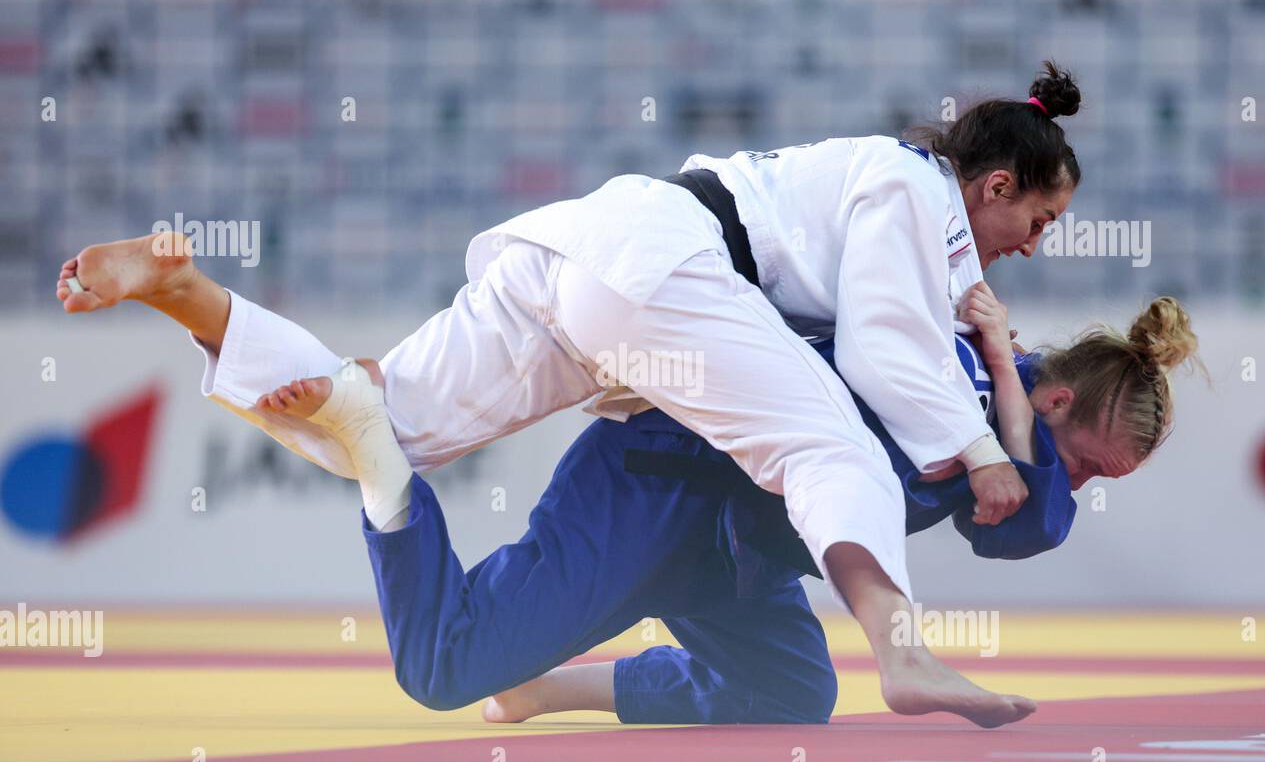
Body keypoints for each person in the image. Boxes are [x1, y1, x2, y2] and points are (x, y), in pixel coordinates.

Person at [58, 63, 1082, 672]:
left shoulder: (895, 191)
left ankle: (188, 295)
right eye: (1039, 219)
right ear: (994, 185)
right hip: (667, 276)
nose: (1034, 246)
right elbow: (886, 349)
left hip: (589, 253)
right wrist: (983, 451)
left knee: (373, 427)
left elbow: (900, 334)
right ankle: (900, 647)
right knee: (830, 448)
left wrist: (988, 378)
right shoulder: (917, 194)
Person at [246, 293, 1198, 729]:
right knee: (444, 669)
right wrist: (996, 377)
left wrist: (1007, 385)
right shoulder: (946, 369)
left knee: (793, 694)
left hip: (737, 559)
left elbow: (1027, 526)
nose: (1075, 486)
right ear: (1059, 402)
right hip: (654, 488)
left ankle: (545, 689)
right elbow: (1034, 523)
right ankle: (376, 454)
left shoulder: (995, 396)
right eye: (1086, 466)